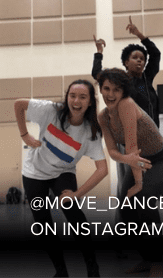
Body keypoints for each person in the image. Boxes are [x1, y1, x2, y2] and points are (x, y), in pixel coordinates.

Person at [14, 80, 108, 277]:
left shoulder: (91, 131)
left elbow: (102, 169)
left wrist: (77, 193)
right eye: (72, 95)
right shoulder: (51, 110)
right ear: (67, 97)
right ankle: (61, 271)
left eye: (83, 97)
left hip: (63, 172)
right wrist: (24, 135)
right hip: (34, 172)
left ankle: (93, 269)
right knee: (43, 223)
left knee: (75, 216)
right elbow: (19, 104)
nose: (76, 101)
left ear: (90, 102)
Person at [97, 68, 163, 276]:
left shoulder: (126, 104)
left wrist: (139, 183)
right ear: (101, 89)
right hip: (138, 161)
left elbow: (132, 146)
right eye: (106, 88)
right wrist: (127, 160)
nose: (111, 94)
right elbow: (114, 151)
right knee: (126, 210)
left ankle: (157, 263)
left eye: (116, 89)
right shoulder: (103, 116)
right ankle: (147, 259)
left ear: (124, 91)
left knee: (145, 199)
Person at [92, 16, 160, 128]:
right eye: (135, 57)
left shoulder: (147, 77)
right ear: (126, 62)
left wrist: (139, 34)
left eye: (142, 59)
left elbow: (155, 54)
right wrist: (99, 52)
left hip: (152, 134)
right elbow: (97, 73)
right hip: (128, 136)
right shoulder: (121, 80)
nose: (139, 60)